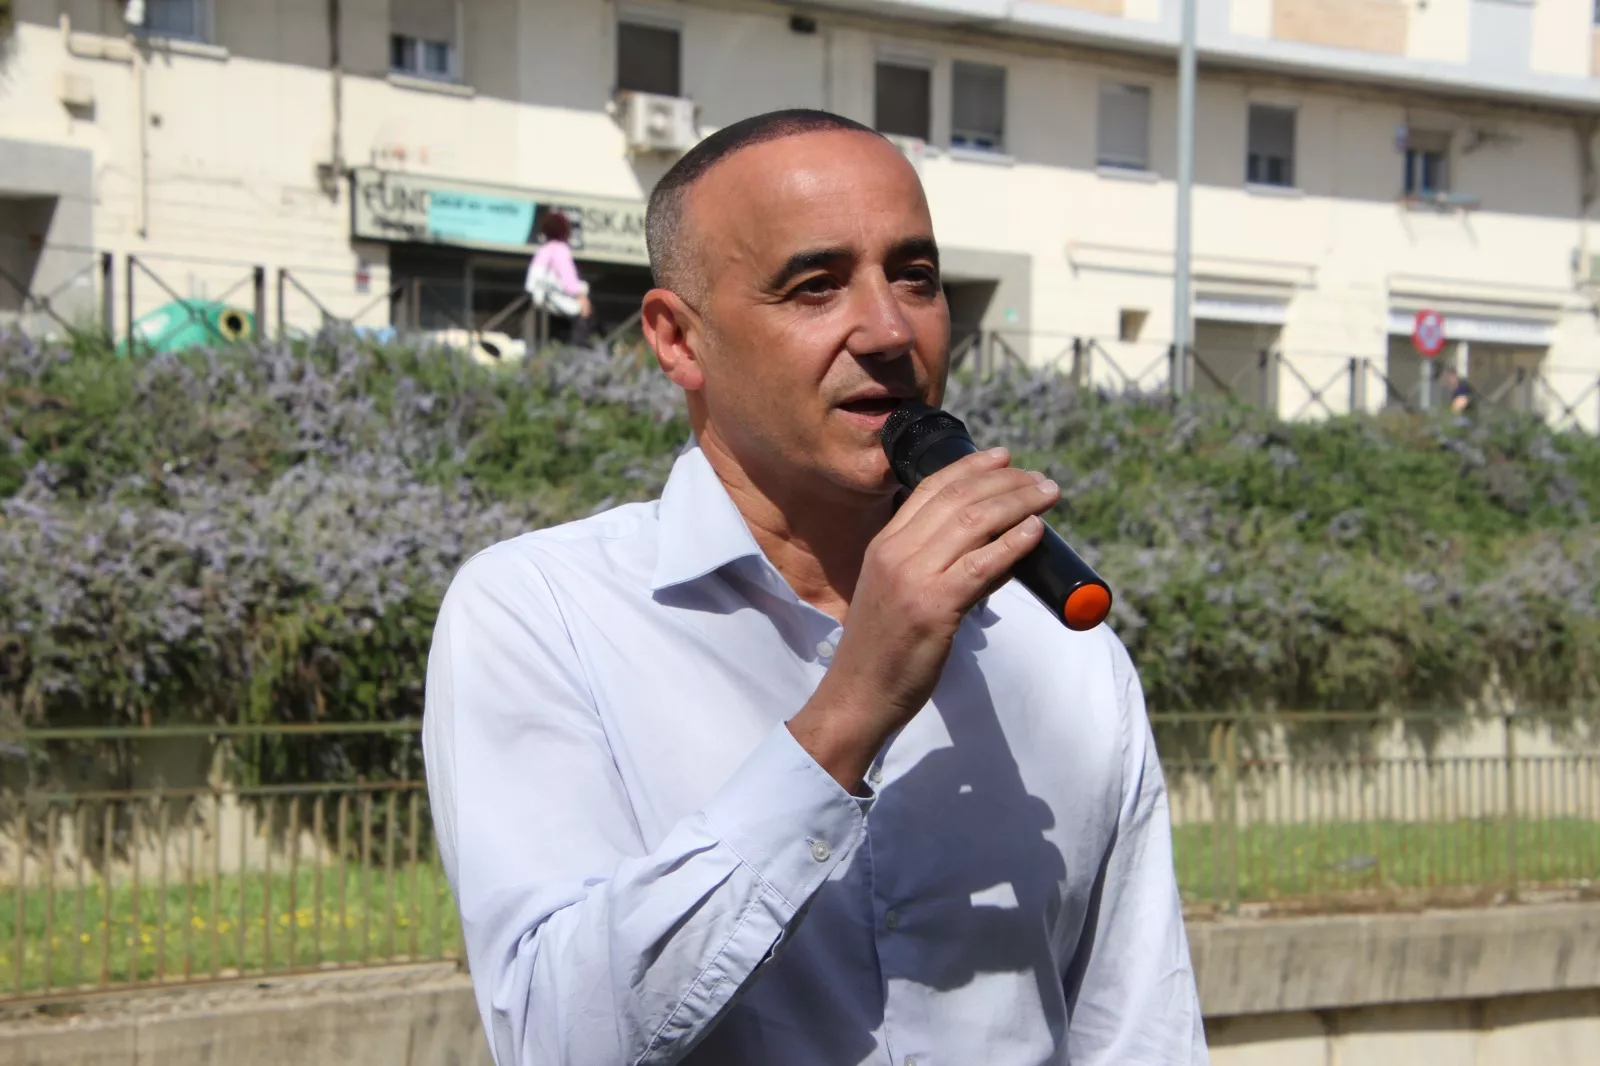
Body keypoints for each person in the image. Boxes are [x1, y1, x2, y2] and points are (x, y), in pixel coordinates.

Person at [423, 109, 1208, 1066]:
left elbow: (1140, 1034)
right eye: (815, 286)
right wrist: (848, 713)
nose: (886, 328)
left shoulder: (1059, 650)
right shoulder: (540, 613)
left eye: (913, 276)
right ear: (677, 340)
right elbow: (556, 1036)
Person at [525, 210, 594, 345]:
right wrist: (582, 296)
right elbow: (570, 284)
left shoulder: (542, 251)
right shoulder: (560, 250)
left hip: (541, 304)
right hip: (557, 306)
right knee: (585, 308)